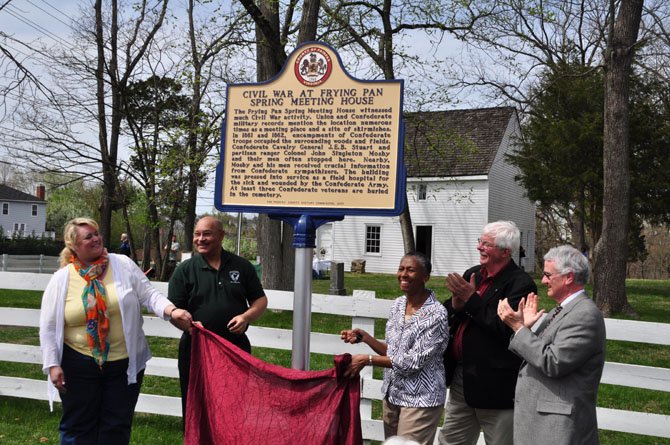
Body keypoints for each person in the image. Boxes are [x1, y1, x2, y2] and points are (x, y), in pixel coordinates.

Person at [39, 217, 193, 444]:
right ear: (73, 245)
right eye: (88, 236)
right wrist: (53, 364)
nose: (96, 239)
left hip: (124, 363)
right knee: (78, 426)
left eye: (96, 233)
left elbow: (149, 295)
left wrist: (172, 311)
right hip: (78, 363)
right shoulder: (62, 279)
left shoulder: (122, 264)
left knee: (117, 425)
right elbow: (49, 326)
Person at [438, 221, 537, 445]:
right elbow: (448, 313)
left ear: (505, 252)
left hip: (496, 385)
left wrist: (472, 300)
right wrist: (455, 305)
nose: (479, 248)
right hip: (462, 377)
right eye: (480, 242)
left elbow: (506, 330)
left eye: (486, 244)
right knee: (450, 442)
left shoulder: (520, 284)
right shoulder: (473, 274)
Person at [497, 245, 606, 445]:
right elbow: (541, 353)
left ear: (569, 277)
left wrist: (518, 329)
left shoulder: (584, 315)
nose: (544, 280)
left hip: (557, 426)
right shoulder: (565, 309)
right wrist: (525, 329)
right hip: (544, 422)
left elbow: (553, 362)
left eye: (548, 275)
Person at [341, 252, 449, 445]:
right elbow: (394, 351)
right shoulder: (398, 305)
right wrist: (365, 338)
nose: (403, 274)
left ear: (425, 277)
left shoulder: (436, 314)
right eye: (401, 269)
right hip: (393, 395)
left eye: (411, 270)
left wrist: (367, 359)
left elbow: (411, 362)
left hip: (420, 400)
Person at [168, 216, 268, 420]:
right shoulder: (184, 271)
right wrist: (189, 326)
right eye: (197, 234)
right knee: (196, 406)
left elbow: (260, 300)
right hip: (196, 349)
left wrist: (246, 317)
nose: (201, 239)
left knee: (234, 405)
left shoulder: (241, 266)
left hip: (234, 348)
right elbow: (173, 312)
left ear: (221, 236)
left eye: (207, 234)